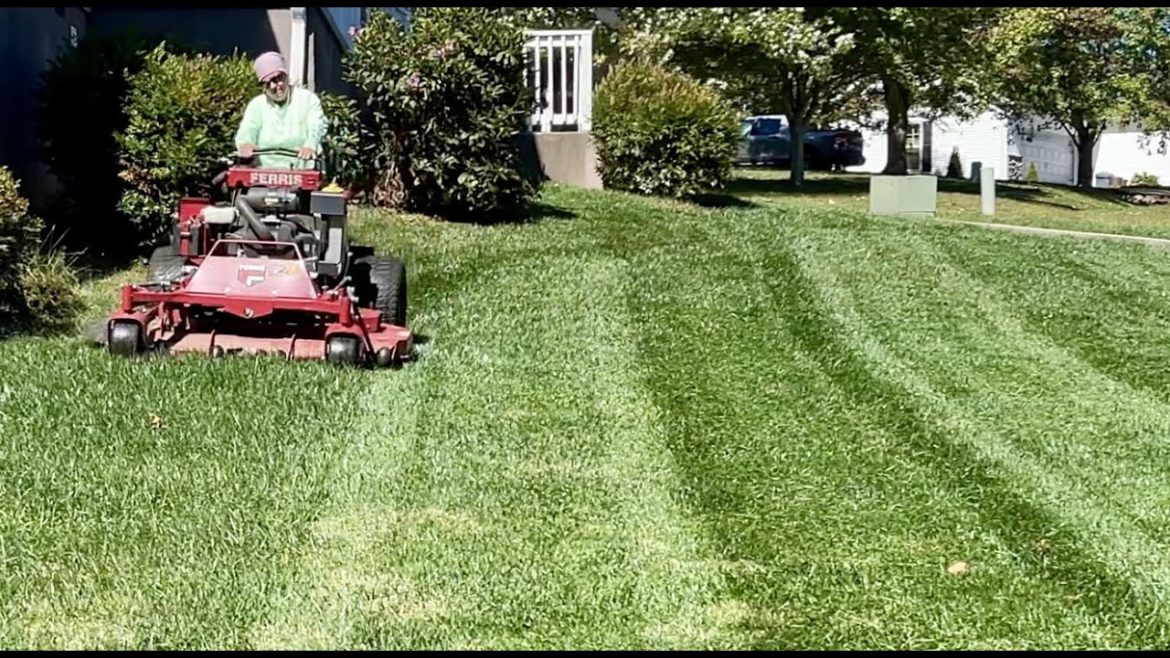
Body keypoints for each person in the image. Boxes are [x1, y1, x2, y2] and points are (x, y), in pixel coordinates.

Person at [234, 51, 326, 170]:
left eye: (277, 79)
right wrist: (245, 144)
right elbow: (248, 128)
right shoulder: (256, 105)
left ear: (286, 77)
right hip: (263, 172)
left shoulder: (308, 99)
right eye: (267, 83)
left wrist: (310, 145)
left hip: (301, 169)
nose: (273, 86)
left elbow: (316, 125)